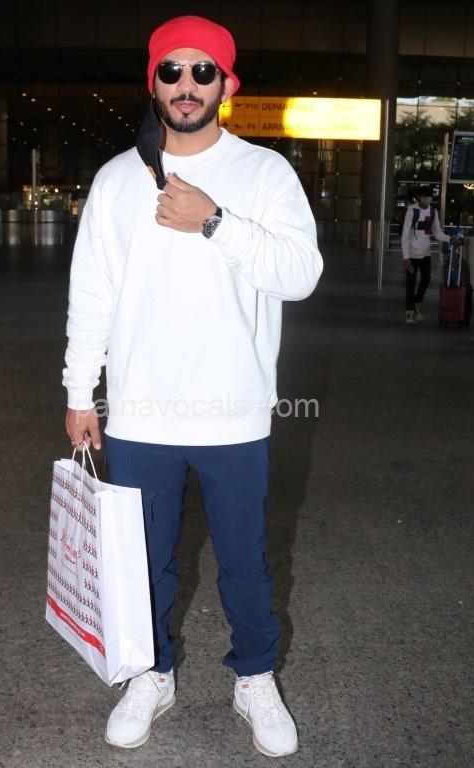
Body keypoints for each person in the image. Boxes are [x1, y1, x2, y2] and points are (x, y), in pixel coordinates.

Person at [62, 14, 323, 758]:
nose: (186, 84)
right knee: (143, 562)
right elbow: (92, 295)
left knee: (245, 560)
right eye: (170, 70)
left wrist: (214, 221)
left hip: (232, 411)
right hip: (140, 412)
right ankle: (152, 673)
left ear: (225, 85)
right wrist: (80, 391)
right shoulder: (117, 179)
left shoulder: (264, 174)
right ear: (152, 82)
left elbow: (300, 275)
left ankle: (255, 677)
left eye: (202, 71)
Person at [400, 186, 453, 324]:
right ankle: (409, 311)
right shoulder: (412, 211)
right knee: (411, 283)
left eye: (429, 196)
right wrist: (405, 257)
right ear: (419, 197)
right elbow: (405, 234)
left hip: (425, 254)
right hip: (412, 254)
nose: (428, 199)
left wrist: (450, 239)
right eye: (425, 196)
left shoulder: (433, 212)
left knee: (426, 280)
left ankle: (416, 302)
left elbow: (437, 233)